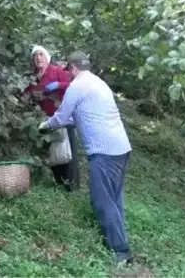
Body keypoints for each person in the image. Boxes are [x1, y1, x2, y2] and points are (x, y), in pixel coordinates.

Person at [38, 51, 133, 265]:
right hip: (121, 148)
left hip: (104, 152)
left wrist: (43, 126)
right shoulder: (98, 83)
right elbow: (83, 114)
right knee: (114, 198)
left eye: (68, 71)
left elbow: (62, 117)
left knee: (102, 201)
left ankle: (121, 252)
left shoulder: (77, 87)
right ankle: (119, 241)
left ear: (72, 68)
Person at [24, 45, 80, 191]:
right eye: (35, 55)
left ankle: (71, 186)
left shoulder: (56, 71)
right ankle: (59, 183)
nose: (38, 58)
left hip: (62, 117)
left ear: (47, 57)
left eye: (41, 54)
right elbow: (26, 94)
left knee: (66, 151)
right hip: (44, 119)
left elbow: (74, 86)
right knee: (53, 152)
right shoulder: (32, 77)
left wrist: (57, 85)